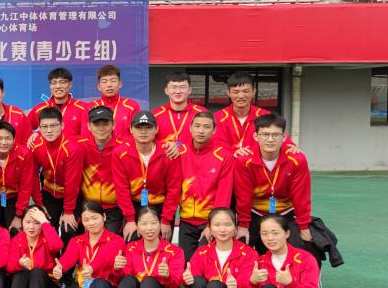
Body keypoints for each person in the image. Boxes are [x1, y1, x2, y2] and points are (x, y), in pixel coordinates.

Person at [233, 114, 313, 252]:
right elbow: (243, 196)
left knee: (303, 247)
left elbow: (302, 196)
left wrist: (304, 227)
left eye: (276, 135)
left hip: (286, 211)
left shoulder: (297, 159)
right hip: (255, 212)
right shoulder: (244, 160)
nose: (270, 139)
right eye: (265, 134)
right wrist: (243, 225)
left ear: (284, 137)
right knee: (242, 250)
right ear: (256, 136)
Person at [48, 202, 124, 288]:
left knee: (99, 282)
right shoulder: (77, 241)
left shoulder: (116, 240)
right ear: (82, 221)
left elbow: (106, 258)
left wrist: (91, 268)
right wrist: (59, 268)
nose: (91, 223)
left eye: (95, 218)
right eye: (86, 219)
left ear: (104, 217)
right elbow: (67, 259)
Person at [112, 111, 181, 242]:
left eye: (148, 127)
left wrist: (166, 220)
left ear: (156, 129)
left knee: (162, 245)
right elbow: (121, 189)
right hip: (134, 205)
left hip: (161, 206)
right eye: (138, 127)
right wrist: (130, 220)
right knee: (132, 242)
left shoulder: (168, 152)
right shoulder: (120, 153)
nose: (143, 132)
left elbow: (174, 188)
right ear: (131, 129)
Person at [177, 111, 234, 260]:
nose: (201, 131)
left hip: (210, 222)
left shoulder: (224, 156)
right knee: (186, 265)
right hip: (185, 221)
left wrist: (212, 225)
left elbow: (224, 194)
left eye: (206, 127)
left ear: (214, 130)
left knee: (207, 264)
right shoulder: (179, 152)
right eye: (197, 126)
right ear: (190, 128)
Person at [4, 207, 63, 288]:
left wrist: (45, 222)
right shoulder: (16, 240)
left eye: (37, 223)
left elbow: (57, 246)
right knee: (20, 271)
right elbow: (8, 267)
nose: (31, 227)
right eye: (28, 222)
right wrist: (19, 263)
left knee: (36, 271)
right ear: (22, 222)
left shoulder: (46, 237)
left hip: (45, 286)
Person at [69, 105, 127, 234]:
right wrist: (36, 136)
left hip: (115, 207)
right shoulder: (78, 143)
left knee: (113, 241)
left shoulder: (125, 145)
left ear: (113, 124)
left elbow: (150, 143)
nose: (101, 128)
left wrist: (170, 144)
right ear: (89, 126)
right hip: (88, 206)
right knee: (70, 231)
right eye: (96, 124)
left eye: (105, 123)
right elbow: (54, 138)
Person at [29, 107, 80, 239]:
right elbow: (33, 177)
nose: (49, 130)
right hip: (49, 194)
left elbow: (72, 183)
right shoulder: (35, 147)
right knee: (46, 229)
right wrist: (40, 204)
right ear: (39, 128)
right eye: (44, 126)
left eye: (53, 126)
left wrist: (68, 211)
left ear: (62, 125)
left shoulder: (72, 149)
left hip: (72, 196)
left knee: (68, 229)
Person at [213, 71, 270, 155]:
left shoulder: (265, 116)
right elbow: (215, 144)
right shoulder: (218, 117)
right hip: (227, 161)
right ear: (228, 93)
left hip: (255, 161)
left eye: (246, 91)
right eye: (235, 92)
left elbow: (279, 141)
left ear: (254, 92)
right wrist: (233, 152)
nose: (241, 96)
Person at [152, 70, 205, 159]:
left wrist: (182, 147)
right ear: (166, 90)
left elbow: (210, 140)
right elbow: (150, 143)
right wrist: (165, 145)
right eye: (174, 87)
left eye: (182, 87)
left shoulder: (201, 113)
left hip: (193, 162)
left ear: (189, 90)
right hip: (165, 162)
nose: (178, 91)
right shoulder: (156, 114)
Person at [26, 67, 88, 140]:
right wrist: (38, 134)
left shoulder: (83, 108)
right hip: (46, 148)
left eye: (62, 82)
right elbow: (24, 131)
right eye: (54, 83)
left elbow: (87, 137)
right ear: (50, 85)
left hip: (73, 147)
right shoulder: (39, 108)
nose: (58, 86)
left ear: (70, 84)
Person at [89, 64, 141, 141]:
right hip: (98, 148)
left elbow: (137, 134)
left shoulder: (132, 106)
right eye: (104, 81)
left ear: (120, 84)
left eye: (113, 81)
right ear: (99, 86)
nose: (109, 85)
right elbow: (86, 136)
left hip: (125, 148)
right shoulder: (90, 107)